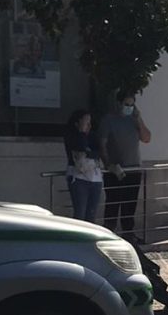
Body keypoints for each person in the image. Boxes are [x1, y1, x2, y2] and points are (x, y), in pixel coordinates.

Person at [99, 90, 152, 239]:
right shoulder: (108, 120)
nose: (129, 107)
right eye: (126, 104)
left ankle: (129, 234)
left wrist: (139, 119)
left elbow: (147, 138)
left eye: (131, 105)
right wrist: (108, 165)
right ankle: (108, 234)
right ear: (119, 104)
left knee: (130, 204)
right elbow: (102, 145)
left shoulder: (133, 120)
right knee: (113, 203)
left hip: (133, 169)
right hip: (115, 170)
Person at [64, 110, 102, 223]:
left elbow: (98, 152)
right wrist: (81, 132)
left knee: (91, 213)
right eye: (86, 123)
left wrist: (88, 153)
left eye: (90, 122)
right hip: (78, 176)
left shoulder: (93, 136)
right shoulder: (72, 136)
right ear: (77, 123)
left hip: (95, 177)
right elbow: (78, 149)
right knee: (80, 212)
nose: (89, 126)